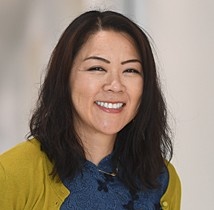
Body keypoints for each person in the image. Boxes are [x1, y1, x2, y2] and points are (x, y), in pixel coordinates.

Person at [0, 10, 181, 210]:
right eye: (97, 68)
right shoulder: (11, 173)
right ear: (65, 78)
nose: (115, 85)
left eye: (130, 70)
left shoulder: (162, 180)